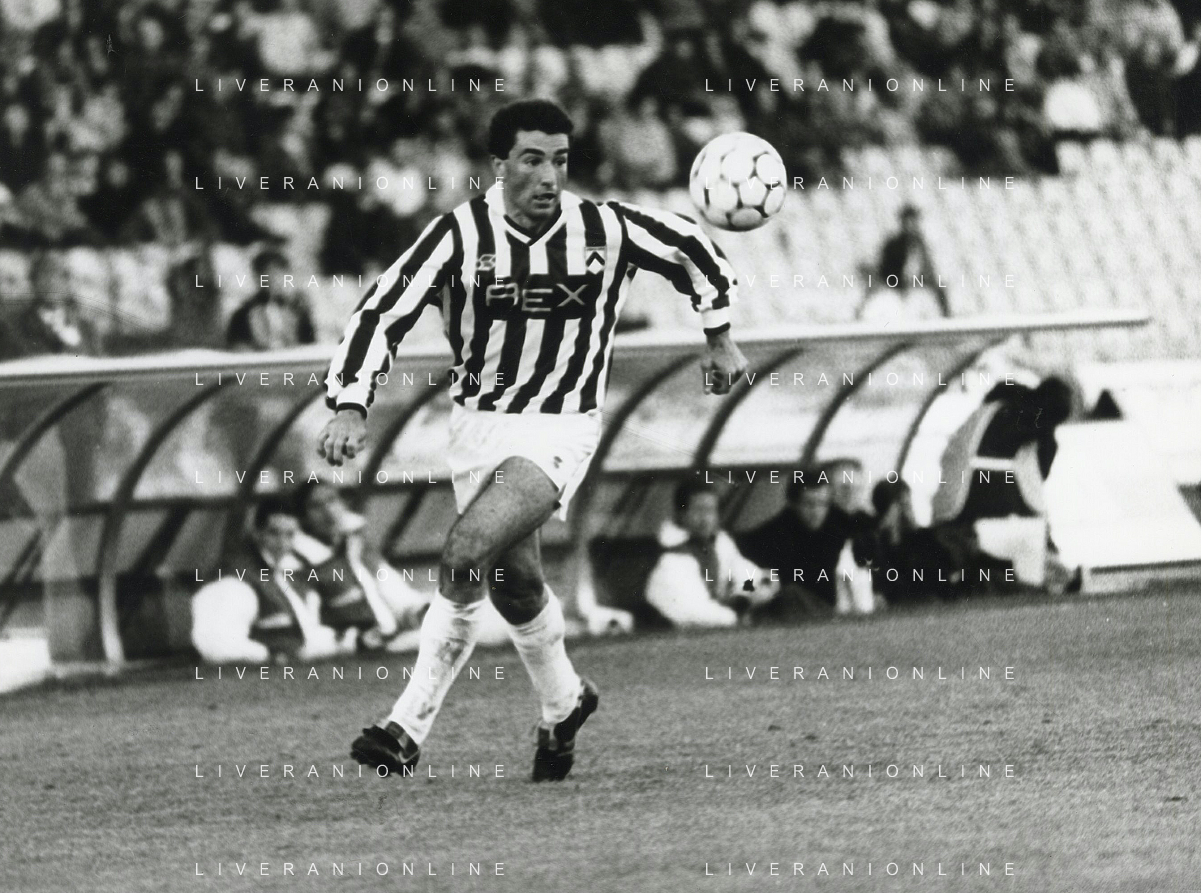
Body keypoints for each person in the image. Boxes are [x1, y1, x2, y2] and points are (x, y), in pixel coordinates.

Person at [317, 99, 749, 782]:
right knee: (515, 585)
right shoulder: (458, 235)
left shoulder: (604, 227)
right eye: (532, 159)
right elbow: (381, 311)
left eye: (560, 160)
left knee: (464, 549)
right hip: (476, 428)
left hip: (559, 426)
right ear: (498, 165)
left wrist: (718, 335)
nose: (549, 175)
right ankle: (565, 702)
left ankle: (405, 727)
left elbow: (693, 248)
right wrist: (349, 403)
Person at [190, 497, 344, 665]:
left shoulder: (287, 575)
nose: (282, 543)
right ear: (257, 534)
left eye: (290, 535)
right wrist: (270, 656)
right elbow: (216, 645)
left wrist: (347, 640)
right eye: (274, 533)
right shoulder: (235, 580)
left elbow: (306, 637)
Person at [644, 479, 776, 628]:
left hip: (720, 622)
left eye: (711, 510)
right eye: (699, 510)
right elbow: (693, 613)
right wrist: (739, 610)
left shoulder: (720, 543)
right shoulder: (671, 556)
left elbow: (748, 574)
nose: (706, 519)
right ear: (681, 514)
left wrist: (745, 595)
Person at [737, 470, 853, 621]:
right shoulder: (773, 536)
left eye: (823, 503)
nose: (816, 511)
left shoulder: (838, 529)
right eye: (809, 504)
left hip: (830, 611)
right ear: (793, 504)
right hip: (789, 611)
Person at [857, 205, 949, 321]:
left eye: (914, 221)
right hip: (896, 288)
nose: (912, 226)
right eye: (909, 222)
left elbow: (928, 271)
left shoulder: (921, 245)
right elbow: (886, 270)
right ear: (903, 223)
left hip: (917, 288)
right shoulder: (893, 245)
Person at [226, 248, 317, 350]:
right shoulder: (242, 315)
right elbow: (238, 347)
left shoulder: (298, 311)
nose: (274, 279)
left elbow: (310, 346)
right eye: (269, 274)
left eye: (278, 274)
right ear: (257, 277)